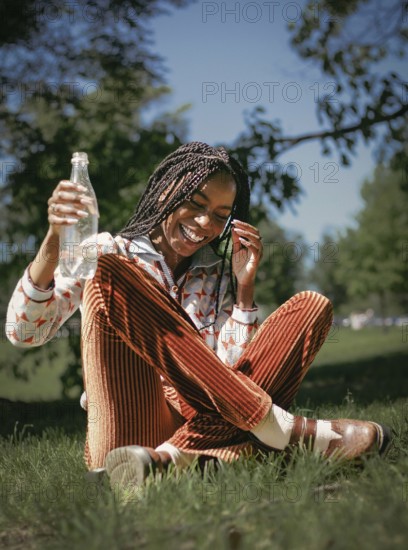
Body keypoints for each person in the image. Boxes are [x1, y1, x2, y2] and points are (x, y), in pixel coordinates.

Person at [6, 142, 390, 488]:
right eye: (196, 202)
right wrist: (55, 240)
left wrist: (244, 288)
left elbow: (232, 373)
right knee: (110, 271)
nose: (206, 223)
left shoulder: (214, 274)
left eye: (221, 214)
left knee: (312, 306)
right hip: (130, 421)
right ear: (164, 192)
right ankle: (281, 433)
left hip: (200, 420)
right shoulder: (107, 251)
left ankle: (179, 460)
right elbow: (23, 332)